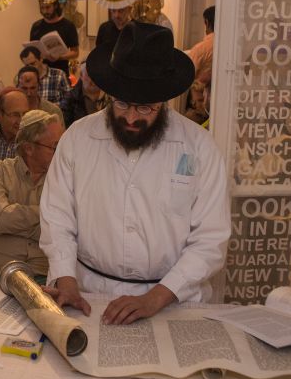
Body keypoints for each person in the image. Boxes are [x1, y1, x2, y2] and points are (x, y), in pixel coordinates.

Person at [41, 22, 231, 323]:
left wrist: (155, 297)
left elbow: (211, 239)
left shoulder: (199, 147)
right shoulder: (78, 138)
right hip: (89, 296)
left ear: (164, 101)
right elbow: (57, 216)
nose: (131, 117)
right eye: (122, 104)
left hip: (172, 301)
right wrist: (65, 278)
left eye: (145, 108)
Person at [0, 110, 62, 280]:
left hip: (45, 270)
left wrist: (15, 222)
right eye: (54, 147)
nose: (61, 152)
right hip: (1, 269)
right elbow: (0, 219)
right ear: (29, 148)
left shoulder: (62, 179)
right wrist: (45, 213)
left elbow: (64, 227)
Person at [29, 0, 79, 74]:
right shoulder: (36, 26)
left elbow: (75, 52)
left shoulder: (68, 26)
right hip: (40, 72)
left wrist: (59, 57)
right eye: (42, 8)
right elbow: (33, 49)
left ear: (55, 6)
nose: (45, 11)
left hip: (60, 71)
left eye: (48, 7)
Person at [60, 61, 109, 127]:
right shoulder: (70, 100)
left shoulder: (110, 98)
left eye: (97, 74)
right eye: (89, 74)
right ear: (81, 76)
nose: (93, 78)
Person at [187, 5, 215, 79]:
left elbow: (184, 76)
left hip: (200, 90)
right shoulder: (230, 50)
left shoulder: (201, 49)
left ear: (207, 22)